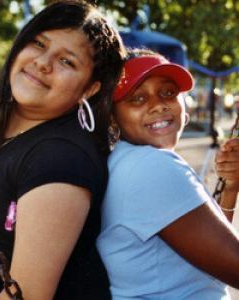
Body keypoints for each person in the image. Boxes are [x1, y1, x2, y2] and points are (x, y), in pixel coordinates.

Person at [0, 1, 125, 299]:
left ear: (89, 89)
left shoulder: (62, 159)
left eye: (67, 61)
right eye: (39, 43)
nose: (43, 62)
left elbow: (28, 294)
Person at [97, 48, 239, 300]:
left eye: (168, 93)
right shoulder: (151, 167)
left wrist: (229, 189)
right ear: (113, 117)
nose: (158, 105)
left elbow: (208, 253)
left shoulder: (124, 160)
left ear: (184, 107)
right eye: (137, 98)